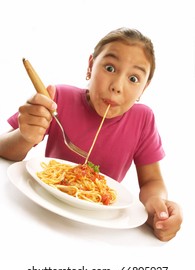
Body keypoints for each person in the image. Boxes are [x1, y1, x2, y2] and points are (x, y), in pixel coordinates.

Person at [0, 27, 182, 241]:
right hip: (41, 212)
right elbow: (4, 146)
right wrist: (25, 136)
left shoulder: (143, 120)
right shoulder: (59, 98)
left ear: (144, 87)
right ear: (90, 66)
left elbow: (152, 181)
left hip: (99, 231)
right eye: (110, 68)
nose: (116, 86)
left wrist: (156, 205)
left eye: (133, 79)